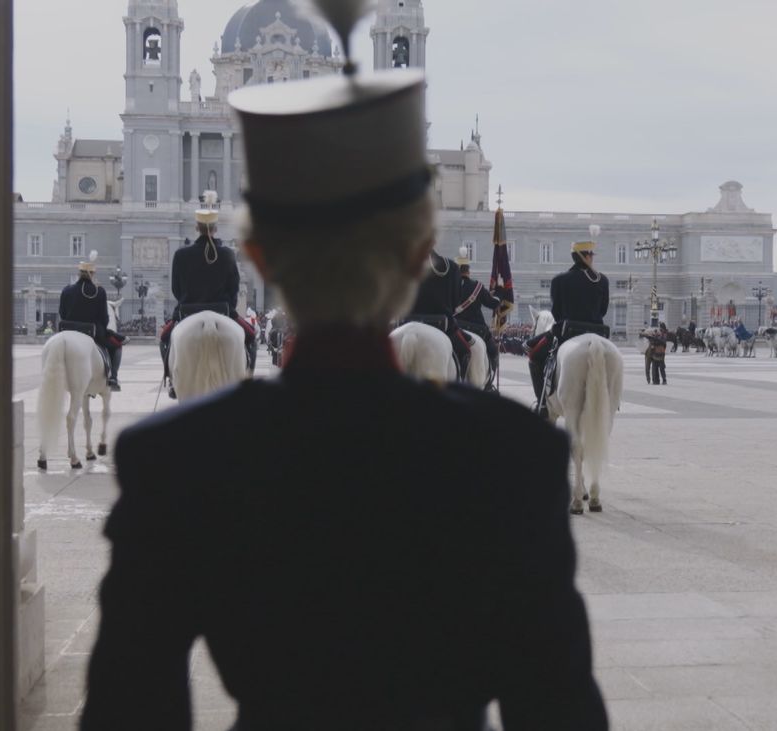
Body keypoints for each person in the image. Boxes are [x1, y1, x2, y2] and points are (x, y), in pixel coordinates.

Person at [79, 12, 608, 729]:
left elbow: (127, 712)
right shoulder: (515, 456)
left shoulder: (173, 459)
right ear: (422, 255)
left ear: (257, 257)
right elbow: (561, 713)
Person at [159, 192, 257, 397]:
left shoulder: (181, 254)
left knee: (165, 338)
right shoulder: (228, 254)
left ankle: (172, 382)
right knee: (250, 338)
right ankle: (247, 378)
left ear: (197, 228)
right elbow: (234, 288)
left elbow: (176, 289)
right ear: (215, 228)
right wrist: (227, 307)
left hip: (186, 312)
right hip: (222, 310)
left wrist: (188, 301)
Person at [529, 233, 610, 417]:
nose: (592, 259)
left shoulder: (560, 280)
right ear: (586, 256)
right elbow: (603, 311)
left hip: (567, 332)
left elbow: (556, 313)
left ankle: (542, 404)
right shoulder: (602, 280)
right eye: (591, 255)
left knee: (532, 352)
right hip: (598, 333)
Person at [402, 247, 473, 380]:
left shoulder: (402, 264)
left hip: (405, 322)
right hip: (443, 325)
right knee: (465, 350)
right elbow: (456, 301)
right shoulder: (450, 267)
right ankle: (461, 386)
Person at [58, 253, 125, 390]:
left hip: (67, 331)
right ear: (92, 274)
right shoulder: (98, 292)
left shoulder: (67, 290)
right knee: (117, 346)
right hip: (92, 332)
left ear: (79, 273)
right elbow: (104, 318)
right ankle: (113, 378)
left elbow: (62, 313)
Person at [454, 255, 502, 384]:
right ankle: (488, 381)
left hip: (455, 328)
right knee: (493, 351)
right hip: (477, 329)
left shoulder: (450, 286)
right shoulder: (477, 287)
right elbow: (492, 303)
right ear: (468, 270)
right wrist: (498, 295)